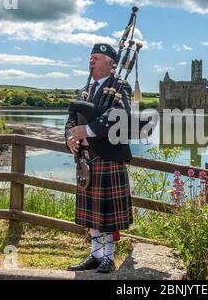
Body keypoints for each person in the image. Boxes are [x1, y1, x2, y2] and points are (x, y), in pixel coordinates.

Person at [65, 43, 133, 273]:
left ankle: (109, 257)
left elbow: (120, 116)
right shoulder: (85, 89)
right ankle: (95, 255)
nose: (91, 61)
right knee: (92, 214)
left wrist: (89, 131)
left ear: (111, 64)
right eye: (90, 57)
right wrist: (70, 138)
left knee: (107, 213)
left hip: (109, 158)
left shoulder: (120, 87)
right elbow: (71, 119)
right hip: (86, 160)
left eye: (96, 57)